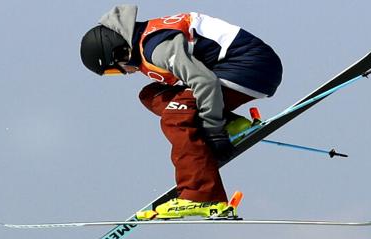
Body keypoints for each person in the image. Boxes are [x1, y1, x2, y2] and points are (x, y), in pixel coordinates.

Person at [81, 6, 283, 219]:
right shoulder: (145, 41)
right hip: (241, 68)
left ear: (119, 51)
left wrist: (212, 129)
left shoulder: (156, 48)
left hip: (251, 68)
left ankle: (200, 196)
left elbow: (204, 82)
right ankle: (231, 125)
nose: (123, 73)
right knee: (151, 95)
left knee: (175, 119)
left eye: (115, 69)